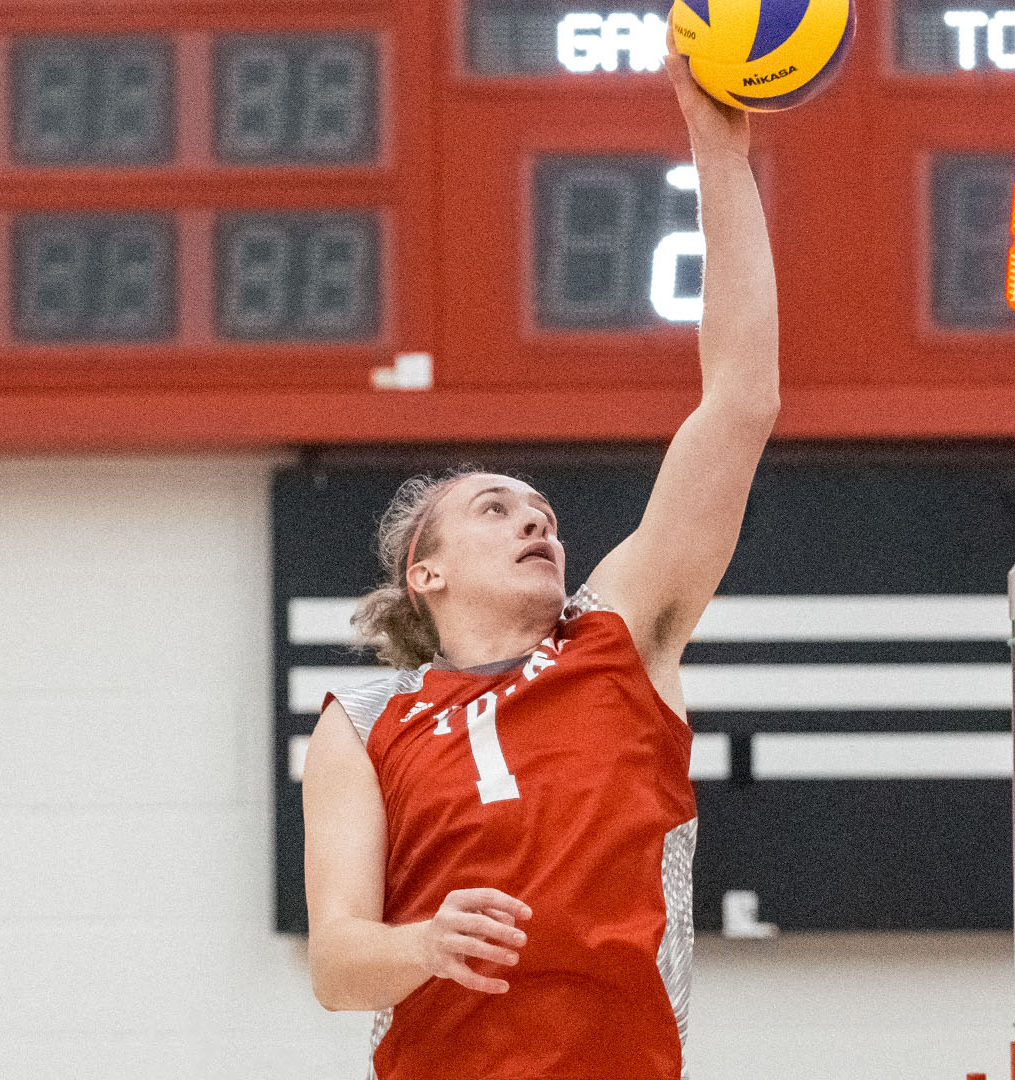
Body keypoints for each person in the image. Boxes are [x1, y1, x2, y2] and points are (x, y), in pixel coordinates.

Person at [299, 49, 779, 1080]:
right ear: (425, 573)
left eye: (543, 513)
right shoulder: (364, 722)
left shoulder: (618, 639)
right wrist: (424, 945)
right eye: (494, 509)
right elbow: (337, 966)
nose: (535, 521)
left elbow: (741, 402)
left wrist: (721, 153)